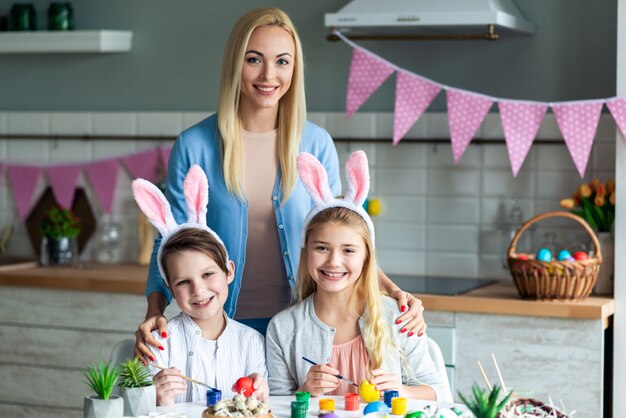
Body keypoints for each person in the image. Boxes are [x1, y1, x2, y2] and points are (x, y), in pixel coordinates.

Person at [135, 7, 426, 361]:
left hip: (300, 331)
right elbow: (169, 240)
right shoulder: (194, 145)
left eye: (282, 62)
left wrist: (395, 292)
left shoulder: (316, 144)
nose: (269, 75)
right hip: (219, 331)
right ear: (234, 64)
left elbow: (344, 237)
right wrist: (155, 310)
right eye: (254, 59)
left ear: (294, 69)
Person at [266, 151, 444, 401]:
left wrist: (402, 391)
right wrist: (304, 391)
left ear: (366, 257)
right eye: (321, 248)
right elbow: (274, 405)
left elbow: (438, 393)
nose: (334, 262)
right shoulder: (283, 328)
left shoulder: (397, 317)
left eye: (348, 250)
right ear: (306, 253)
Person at [132, 166, 268, 406]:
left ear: (229, 271)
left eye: (208, 274)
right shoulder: (158, 345)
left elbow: (261, 408)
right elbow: (135, 408)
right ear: (169, 287)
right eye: (184, 282)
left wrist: (260, 396)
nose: (198, 290)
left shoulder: (252, 343)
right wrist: (157, 399)